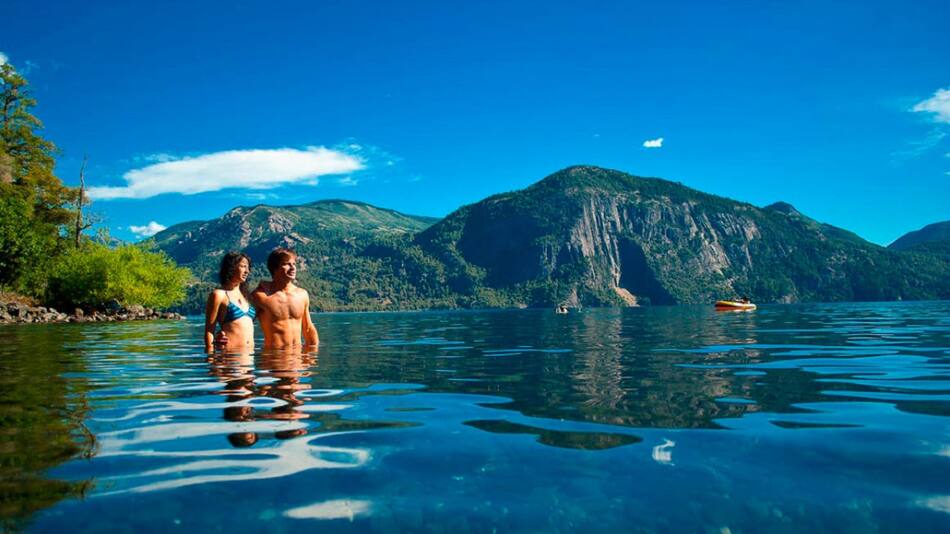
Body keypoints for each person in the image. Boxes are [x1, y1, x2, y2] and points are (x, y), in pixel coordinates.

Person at [252, 248, 319, 349]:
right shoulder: (260, 296)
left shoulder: (302, 294)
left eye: (294, 264)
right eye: (287, 264)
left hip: (297, 360)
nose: (292, 268)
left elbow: (308, 328)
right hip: (274, 360)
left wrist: (312, 358)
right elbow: (242, 323)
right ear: (274, 268)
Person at [204, 252, 256, 352]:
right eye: (243, 266)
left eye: (248, 267)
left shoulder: (247, 297)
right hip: (230, 357)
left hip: (249, 358)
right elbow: (209, 331)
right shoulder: (219, 295)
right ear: (231, 267)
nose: (247, 271)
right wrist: (211, 359)